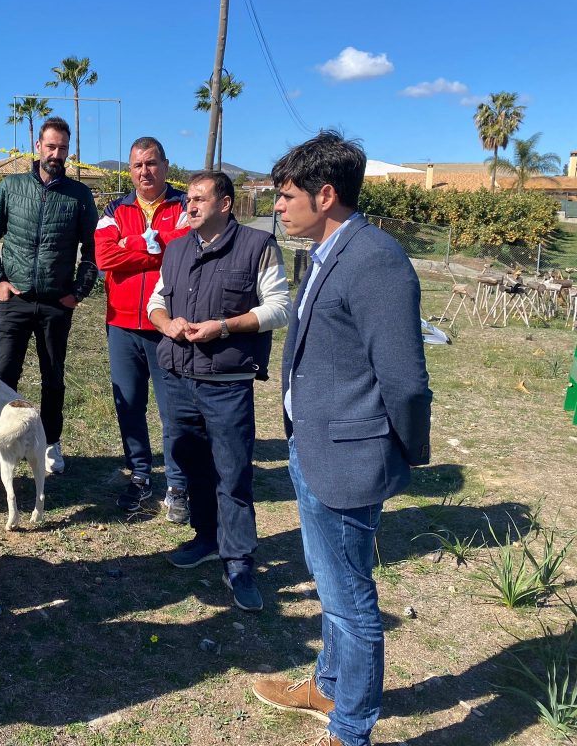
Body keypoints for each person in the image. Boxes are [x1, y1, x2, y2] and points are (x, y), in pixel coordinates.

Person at [252, 131, 432, 746]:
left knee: (351, 598)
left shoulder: (375, 259)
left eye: (284, 195)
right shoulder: (324, 252)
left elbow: (405, 381)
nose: (277, 206)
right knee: (332, 586)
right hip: (312, 446)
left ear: (324, 195)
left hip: (350, 456)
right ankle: (329, 685)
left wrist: (407, 450)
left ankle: (351, 727)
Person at [147, 171, 290, 613]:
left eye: (199, 199)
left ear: (224, 204)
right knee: (192, 466)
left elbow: (279, 308)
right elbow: (156, 300)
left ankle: (239, 560)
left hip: (226, 384)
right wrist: (165, 322)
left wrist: (225, 326)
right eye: (187, 199)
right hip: (177, 378)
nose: (188, 206)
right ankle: (206, 537)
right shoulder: (176, 249)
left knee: (232, 472)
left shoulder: (257, 246)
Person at [0, 116, 98, 474]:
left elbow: (93, 251)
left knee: (53, 376)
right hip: (14, 299)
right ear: (38, 147)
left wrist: (78, 291)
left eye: (62, 148)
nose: (56, 153)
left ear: (68, 151)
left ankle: (50, 444)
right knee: (2, 373)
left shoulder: (79, 195)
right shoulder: (11, 188)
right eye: (51, 146)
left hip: (57, 303)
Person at [95, 137, 189, 519]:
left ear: (166, 165)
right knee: (129, 406)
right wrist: (147, 244)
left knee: (174, 410)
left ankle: (178, 485)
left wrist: (133, 246)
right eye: (137, 165)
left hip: (166, 324)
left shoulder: (184, 205)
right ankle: (139, 475)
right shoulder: (114, 207)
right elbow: (103, 255)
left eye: (151, 163)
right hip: (121, 324)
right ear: (130, 170)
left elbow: (183, 248)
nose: (144, 172)